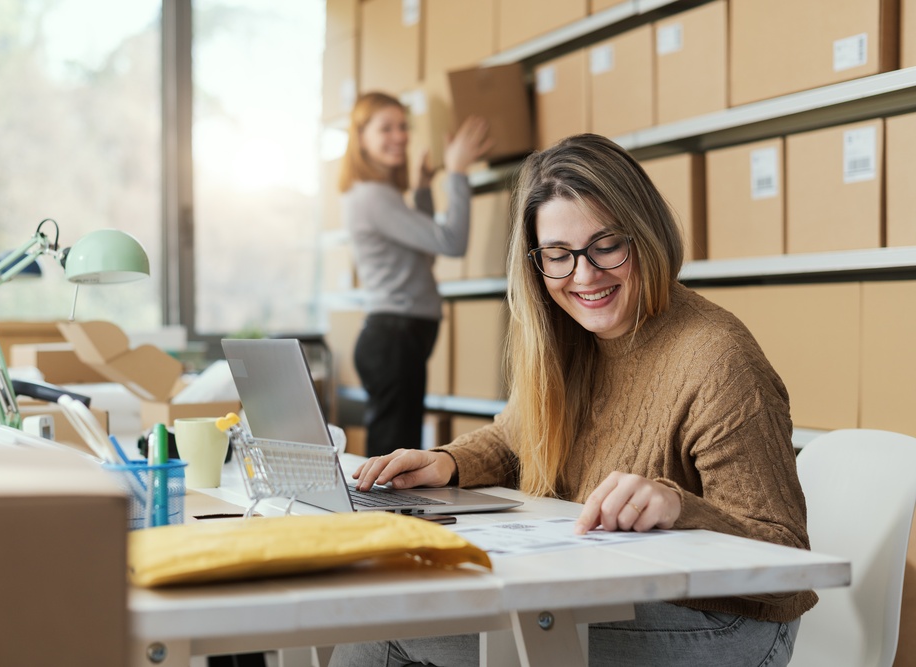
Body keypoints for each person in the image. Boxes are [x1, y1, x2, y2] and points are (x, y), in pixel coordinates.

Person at [329, 133, 817, 667]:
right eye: (559, 255)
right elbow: (515, 436)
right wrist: (448, 461)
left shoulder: (716, 357)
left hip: (726, 622)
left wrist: (679, 506)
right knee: (387, 594)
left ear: (646, 234)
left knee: (387, 624)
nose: (584, 276)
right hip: (614, 589)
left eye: (606, 245)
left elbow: (785, 555)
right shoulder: (567, 339)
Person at [339, 92, 491, 457]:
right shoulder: (372, 195)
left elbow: (424, 254)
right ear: (360, 137)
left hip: (398, 338)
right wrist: (456, 173)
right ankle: (383, 516)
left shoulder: (384, 194)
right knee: (394, 455)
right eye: (386, 128)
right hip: (394, 339)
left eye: (404, 126)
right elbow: (451, 242)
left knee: (396, 450)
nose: (400, 136)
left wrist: (423, 188)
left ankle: (385, 514)